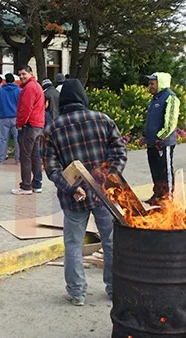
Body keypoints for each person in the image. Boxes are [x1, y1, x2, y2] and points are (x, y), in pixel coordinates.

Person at [44, 79, 127, 306]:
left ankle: (77, 293)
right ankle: (114, 288)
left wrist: (72, 187)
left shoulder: (52, 129)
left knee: (73, 245)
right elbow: (120, 152)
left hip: (73, 198)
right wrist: (107, 179)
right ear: (83, 98)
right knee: (110, 243)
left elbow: (51, 168)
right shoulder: (103, 120)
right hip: (103, 196)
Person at [144, 72, 180, 205]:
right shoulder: (154, 99)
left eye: (152, 83)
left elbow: (170, 122)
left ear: (161, 83)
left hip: (164, 143)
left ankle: (168, 196)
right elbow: (150, 121)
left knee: (165, 170)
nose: (150, 86)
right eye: (149, 83)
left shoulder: (170, 97)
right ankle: (158, 195)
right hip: (152, 143)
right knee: (155, 171)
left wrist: (160, 138)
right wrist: (145, 136)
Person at [12, 65, 45, 195]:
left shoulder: (29, 88)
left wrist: (20, 123)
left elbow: (25, 108)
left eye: (24, 74)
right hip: (38, 126)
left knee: (25, 157)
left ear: (30, 73)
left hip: (29, 126)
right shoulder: (37, 86)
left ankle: (25, 186)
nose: (21, 77)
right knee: (36, 157)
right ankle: (37, 184)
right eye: (19, 75)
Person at [0, 73, 21, 165]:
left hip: (4, 117)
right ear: (14, 80)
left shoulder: (0, 91)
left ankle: (1, 159)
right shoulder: (19, 90)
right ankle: (18, 160)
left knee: (3, 139)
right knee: (17, 139)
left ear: (5, 81)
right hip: (16, 118)